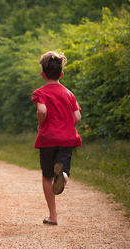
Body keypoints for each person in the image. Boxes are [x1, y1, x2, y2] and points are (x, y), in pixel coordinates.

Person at [31, 51, 82, 225]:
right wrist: (67, 126)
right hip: (67, 139)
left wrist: (41, 123)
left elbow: (42, 111)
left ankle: (53, 216)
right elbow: (77, 117)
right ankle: (64, 177)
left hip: (48, 139)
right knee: (63, 168)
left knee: (47, 176)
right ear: (61, 74)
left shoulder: (40, 93)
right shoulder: (69, 94)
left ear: (42, 74)